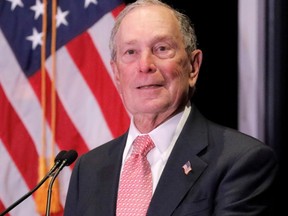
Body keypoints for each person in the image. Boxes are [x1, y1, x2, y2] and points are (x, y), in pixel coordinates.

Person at [63, 0, 278, 215]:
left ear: (193, 67)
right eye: (131, 52)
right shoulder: (88, 169)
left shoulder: (241, 161)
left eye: (161, 48)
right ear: (117, 74)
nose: (145, 64)